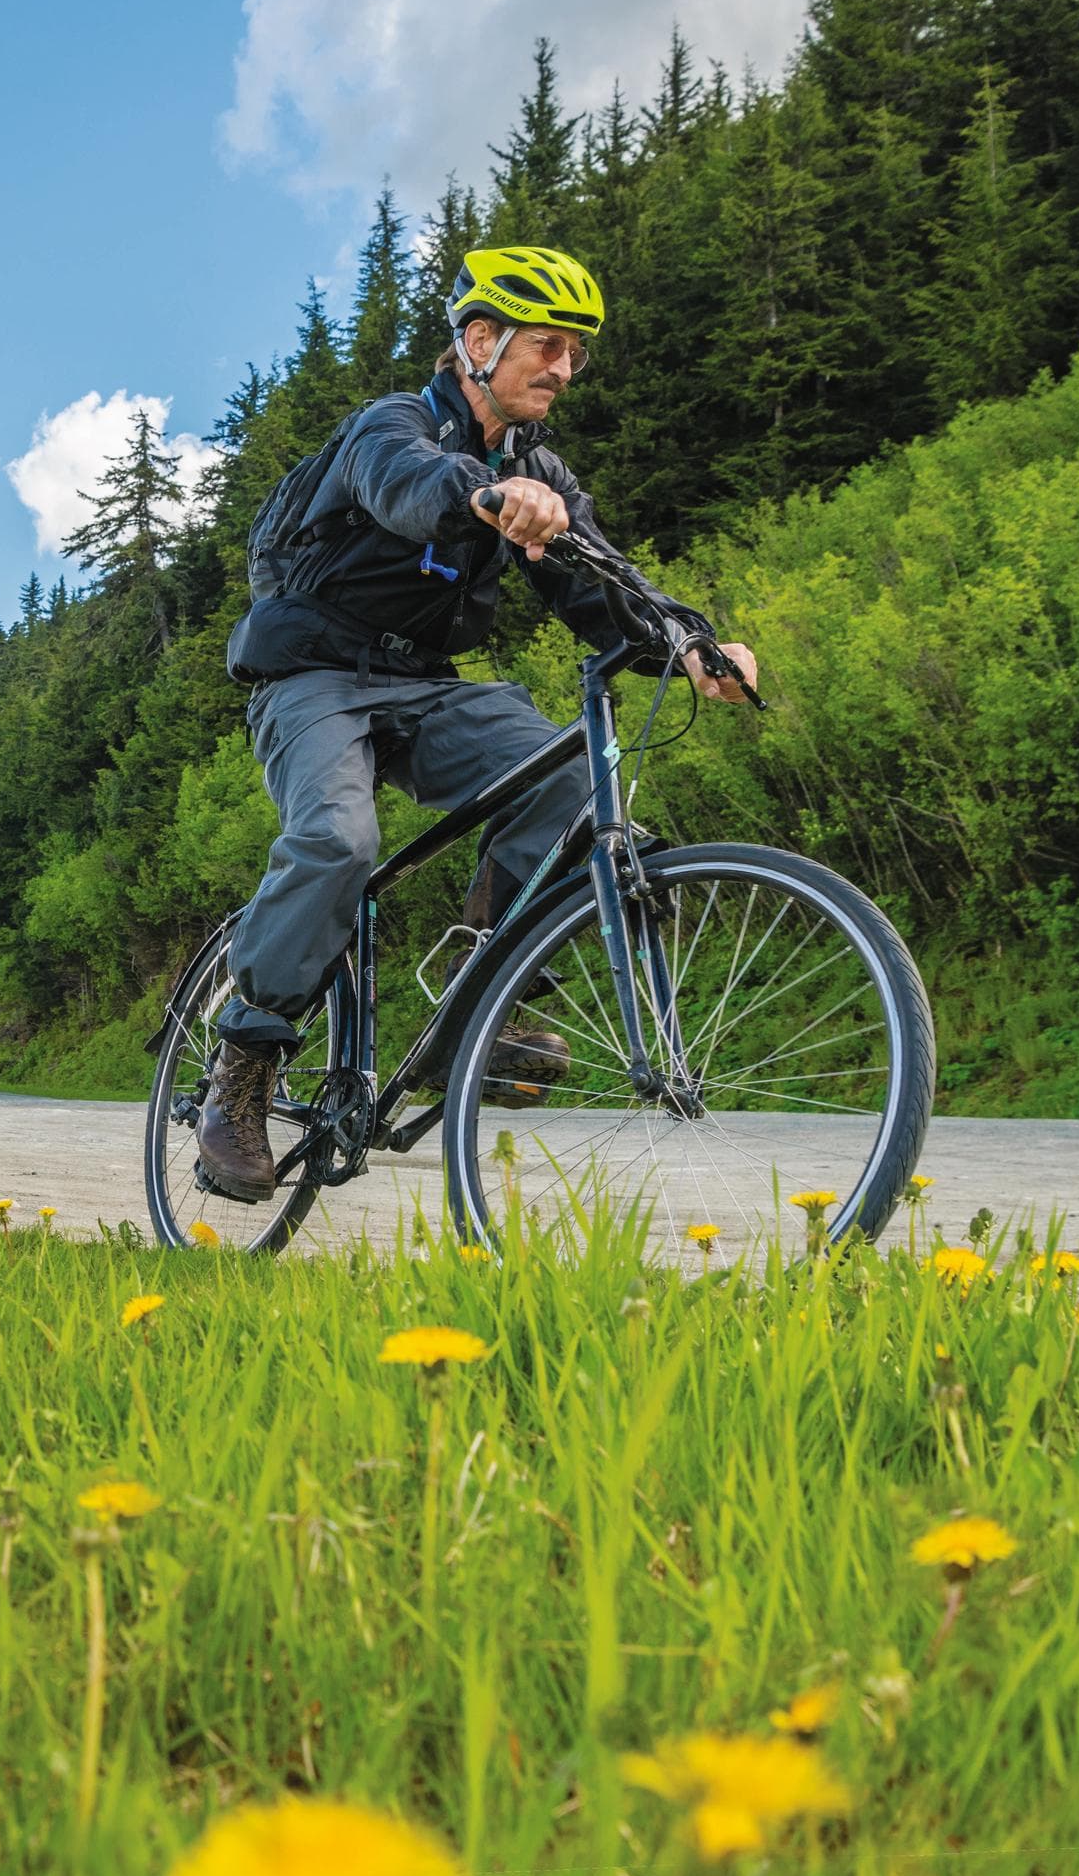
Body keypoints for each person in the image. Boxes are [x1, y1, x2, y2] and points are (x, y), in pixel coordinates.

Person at [196, 245, 760, 1202]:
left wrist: (691, 644)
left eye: (577, 353)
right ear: (480, 340)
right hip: (311, 679)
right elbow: (407, 489)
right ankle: (243, 1068)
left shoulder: (541, 470)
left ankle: (478, 1002)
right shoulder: (393, 426)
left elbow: (604, 583)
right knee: (337, 839)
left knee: (575, 778)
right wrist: (485, 496)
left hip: (424, 685)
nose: (564, 368)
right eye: (547, 345)